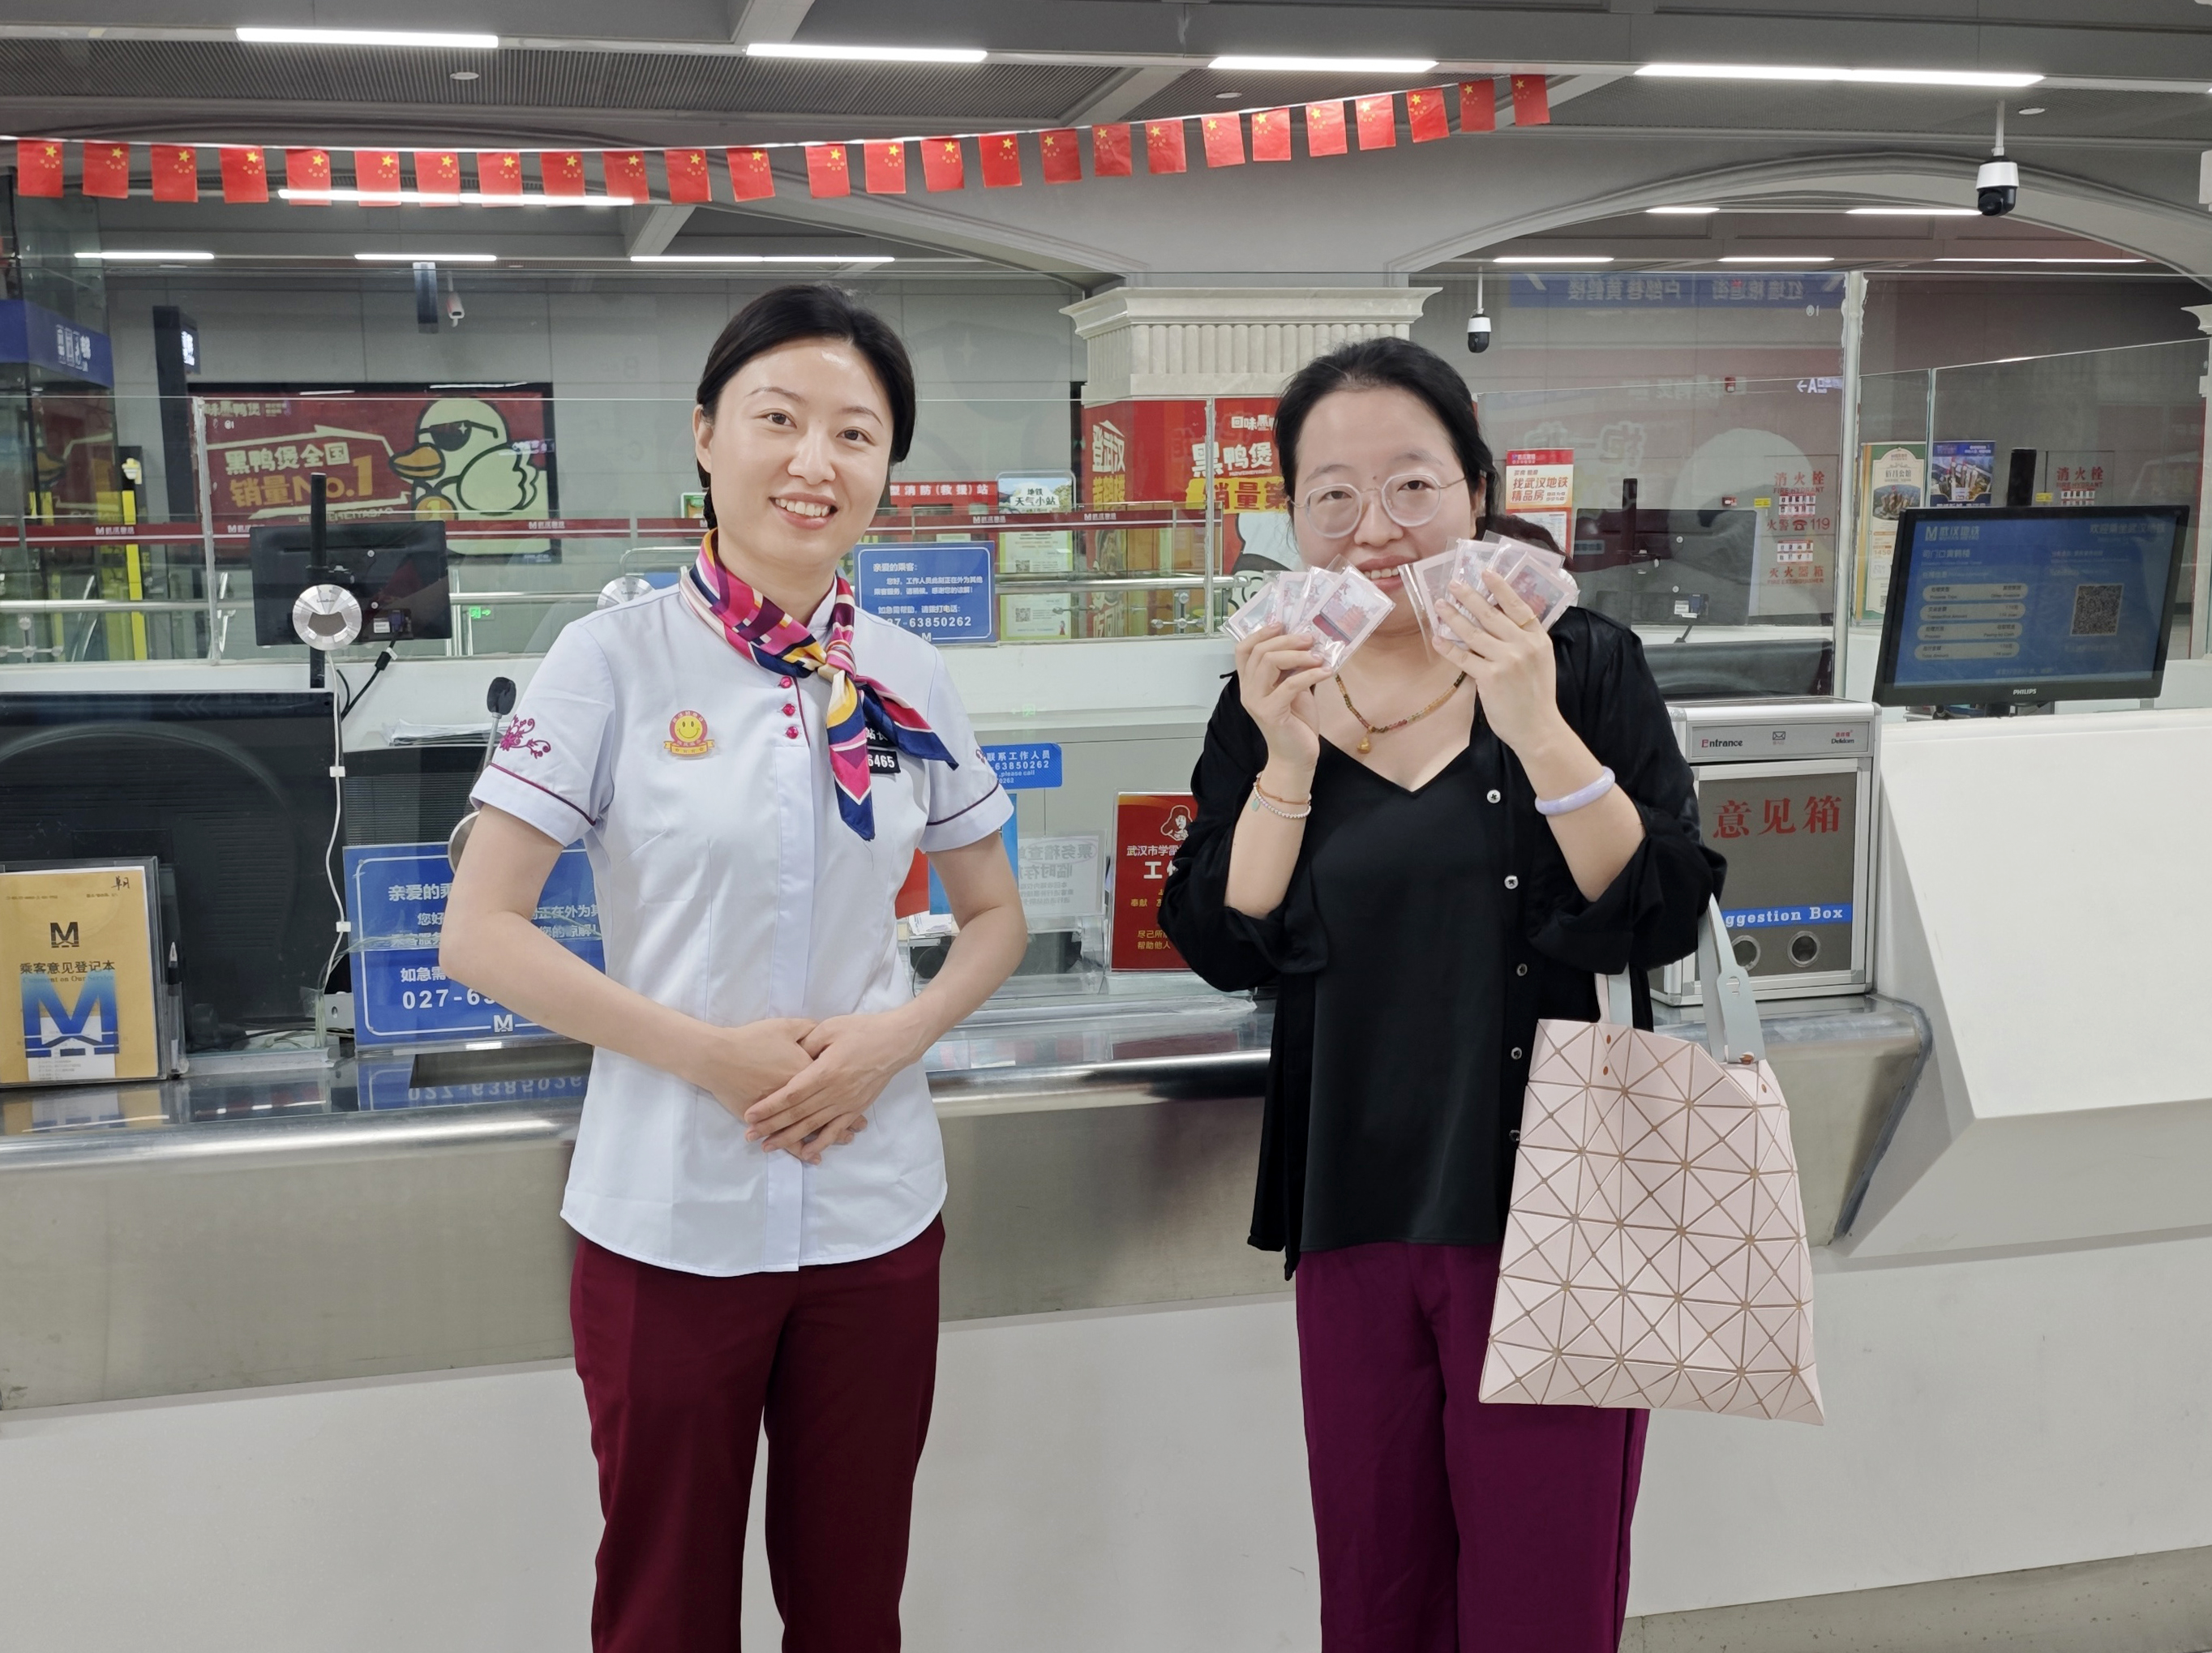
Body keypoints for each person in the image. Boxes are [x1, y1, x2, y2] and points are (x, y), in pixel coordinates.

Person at [441, 284, 1027, 1653]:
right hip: (669, 1214)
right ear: (706, 435)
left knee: (853, 1605)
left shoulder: (908, 677)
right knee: (663, 1610)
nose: (815, 461)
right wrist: (710, 1056)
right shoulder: (610, 660)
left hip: (873, 1212)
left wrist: (893, 1041)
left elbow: (993, 916)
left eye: (856, 434)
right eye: (779, 419)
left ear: (888, 470)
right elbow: (482, 930)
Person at [1159, 336, 1724, 1652]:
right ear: (1291, 516)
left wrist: (1538, 727)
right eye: (1332, 496)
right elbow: (1222, 938)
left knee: (1542, 1593)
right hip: (1351, 1203)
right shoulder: (1270, 688)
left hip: (1559, 1206)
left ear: (1475, 490)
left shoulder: (1582, 660)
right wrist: (1285, 762)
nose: (1375, 530)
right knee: (1376, 1587)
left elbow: (1658, 908)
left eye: (1413, 486)